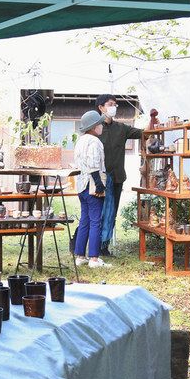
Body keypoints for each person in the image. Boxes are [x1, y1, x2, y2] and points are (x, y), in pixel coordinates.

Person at [94, 94, 142, 256]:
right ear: (101, 107)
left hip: (117, 177)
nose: (113, 107)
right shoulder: (95, 128)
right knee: (97, 213)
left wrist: (153, 122)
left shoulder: (122, 128)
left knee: (111, 212)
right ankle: (93, 244)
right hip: (98, 179)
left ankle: (104, 246)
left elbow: (144, 133)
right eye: (110, 104)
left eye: (115, 104)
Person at [73, 110, 111, 268]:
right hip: (92, 184)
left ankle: (80, 256)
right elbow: (93, 163)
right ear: (94, 127)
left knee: (85, 220)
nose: (102, 126)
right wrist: (99, 183)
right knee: (96, 221)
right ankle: (94, 258)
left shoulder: (81, 140)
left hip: (81, 185)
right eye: (100, 123)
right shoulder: (95, 142)